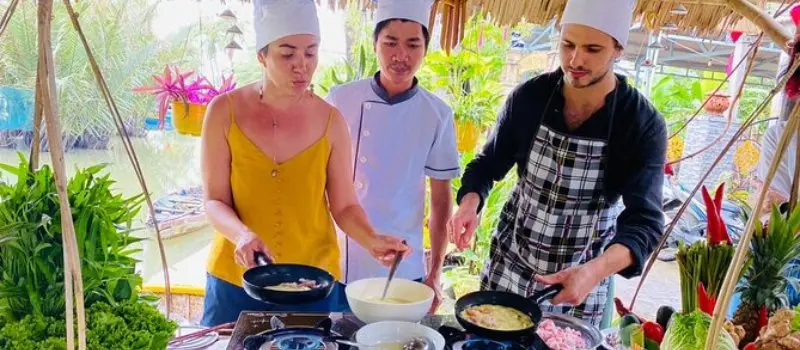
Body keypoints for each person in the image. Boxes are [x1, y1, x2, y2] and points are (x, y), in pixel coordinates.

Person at [447, 0, 666, 327]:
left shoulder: (640, 122)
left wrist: (594, 271)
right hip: (512, 261)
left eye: (592, 49)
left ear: (618, 49)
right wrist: (469, 203)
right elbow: (488, 164)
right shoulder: (530, 97)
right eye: (567, 45)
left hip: (583, 274)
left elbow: (645, 222)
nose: (576, 60)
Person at [199, 0, 409, 327]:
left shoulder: (331, 120)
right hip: (235, 279)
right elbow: (214, 201)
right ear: (261, 56)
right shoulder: (223, 112)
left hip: (313, 282)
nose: (302, 66)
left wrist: (372, 239)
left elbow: (344, 206)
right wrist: (241, 235)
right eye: (287, 54)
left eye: (311, 53)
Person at [325, 0, 460, 313]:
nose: (402, 56)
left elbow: (440, 202)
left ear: (426, 48)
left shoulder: (437, 114)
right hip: (343, 259)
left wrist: (435, 273)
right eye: (390, 43)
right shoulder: (340, 100)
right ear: (375, 45)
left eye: (413, 44)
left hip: (403, 265)